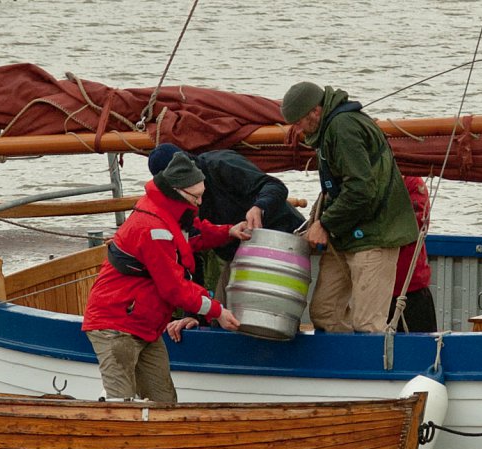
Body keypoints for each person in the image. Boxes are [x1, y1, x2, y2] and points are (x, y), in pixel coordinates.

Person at [82, 152, 250, 402]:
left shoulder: (168, 211)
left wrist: (228, 232)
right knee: (121, 403)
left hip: (145, 325)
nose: (201, 202)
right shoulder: (153, 229)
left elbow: (191, 234)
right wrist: (217, 311)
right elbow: (175, 289)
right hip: (116, 324)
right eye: (197, 197)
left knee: (164, 402)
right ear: (177, 191)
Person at [280, 81, 418, 333]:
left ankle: (375, 367)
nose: (297, 129)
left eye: (298, 121)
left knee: (367, 324)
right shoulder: (329, 129)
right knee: (324, 312)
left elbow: (361, 188)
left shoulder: (343, 127)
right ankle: (339, 369)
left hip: (375, 235)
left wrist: (325, 223)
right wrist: (319, 221)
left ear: (315, 111)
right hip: (346, 234)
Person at [146, 143, 306, 299]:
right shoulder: (176, 198)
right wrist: (194, 313)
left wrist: (259, 207)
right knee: (220, 315)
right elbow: (191, 246)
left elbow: (275, 186)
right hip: (237, 253)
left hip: (282, 237)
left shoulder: (222, 164)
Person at [388, 176, 437, 333]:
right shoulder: (367, 179)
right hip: (376, 289)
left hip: (411, 289)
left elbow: (413, 228)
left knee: (422, 350)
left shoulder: (413, 183)